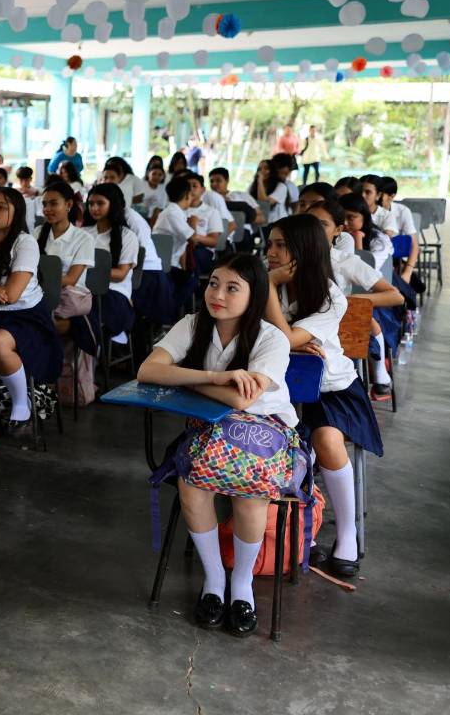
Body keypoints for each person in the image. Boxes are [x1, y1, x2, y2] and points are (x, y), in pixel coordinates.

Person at [137, 253, 303, 637]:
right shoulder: (193, 324)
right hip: (209, 432)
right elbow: (147, 370)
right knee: (192, 484)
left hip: (266, 435)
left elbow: (243, 401)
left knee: (249, 492)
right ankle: (214, 581)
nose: (218, 295)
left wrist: (181, 378)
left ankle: (241, 585)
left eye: (232, 288)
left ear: (254, 294)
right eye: (213, 283)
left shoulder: (271, 338)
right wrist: (216, 376)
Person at [264, 214, 382, 580]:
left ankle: (347, 533)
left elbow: (281, 339)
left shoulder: (329, 296)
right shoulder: (264, 283)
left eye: (280, 245)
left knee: (326, 440)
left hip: (331, 392)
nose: (271, 252)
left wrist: (266, 287)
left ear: (303, 250)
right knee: (271, 444)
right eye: (269, 244)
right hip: (276, 390)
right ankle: (297, 526)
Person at [0, 187, 63, 429]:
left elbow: (10, 295)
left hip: (25, 317)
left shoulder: (25, 242)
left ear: (17, 212)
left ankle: (22, 402)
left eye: (2, 207)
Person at [306, 199, 404, 401]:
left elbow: (395, 295)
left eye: (322, 224)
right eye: (309, 222)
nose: (314, 230)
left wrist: (347, 300)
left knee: (366, 317)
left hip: (337, 335)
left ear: (338, 230)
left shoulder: (343, 261)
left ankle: (379, 373)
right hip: (299, 335)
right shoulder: (286, 259)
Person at [35, 182, 96, 337]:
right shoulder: (37, 233)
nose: (47, 209)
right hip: (39, 293)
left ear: (68, 205)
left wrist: (33, 283)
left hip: (68, 300)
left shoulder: (83, 239)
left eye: (53, 204)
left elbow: (71, 279)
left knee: (37, 326)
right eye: (44, 204)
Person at [81, 183, 140, 342]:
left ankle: (93, 351)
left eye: (100, 203)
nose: (94, 208)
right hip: (83, 290)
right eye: (91, 203)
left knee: (88, 308)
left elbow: (120, 275)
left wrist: (80, 270)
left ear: (113, 204)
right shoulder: (84, 233)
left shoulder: (127, 236)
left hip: (114, 293)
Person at [376, 176, 419, 283]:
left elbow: (414, 244)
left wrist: (408, 272)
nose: (377, 198)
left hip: (394, 255)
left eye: (381, 195)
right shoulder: (368, 210)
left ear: (392, 196)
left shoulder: (402, 211)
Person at [339, 192, 393, 271]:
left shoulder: (379, 241)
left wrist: (358, 240)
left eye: (350, 218)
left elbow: (364, 272)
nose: (344, 223)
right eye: (341, 217)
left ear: (364, 217)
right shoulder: (335, 234)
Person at [252, 158, 288, 224]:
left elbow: (264, 203)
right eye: (259, 169)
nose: (262, 171)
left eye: (266, 168)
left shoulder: (281, 187)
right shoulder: (253, 186)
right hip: (260, 222)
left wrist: (260, 181)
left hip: (277, 223)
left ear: (272, 171)